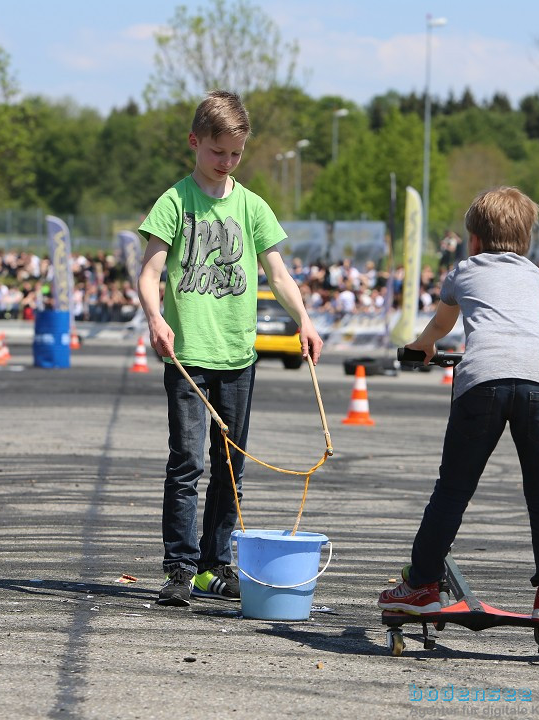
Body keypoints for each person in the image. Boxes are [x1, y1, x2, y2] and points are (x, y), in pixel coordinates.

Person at [136, 90, 324, 607]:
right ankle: (179, 566)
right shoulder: (174, 202)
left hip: (239, 358)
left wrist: (304, 319)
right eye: (218, 152)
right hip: (189, 357)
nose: (227, 163)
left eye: (236, 154)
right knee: (186, 462)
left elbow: (279, 274)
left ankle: (213, 565)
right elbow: (150, 271)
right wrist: (155, 318)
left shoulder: (252, 205)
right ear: (195, 143)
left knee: (229, 466)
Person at [377, 186, 539, 622]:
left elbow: (442, 323)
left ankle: (420, 586)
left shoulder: (463, 271)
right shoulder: (536, 274)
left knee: (453, 489)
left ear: (473, 240)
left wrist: (422, 347)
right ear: (526, 239)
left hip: (484, 379)